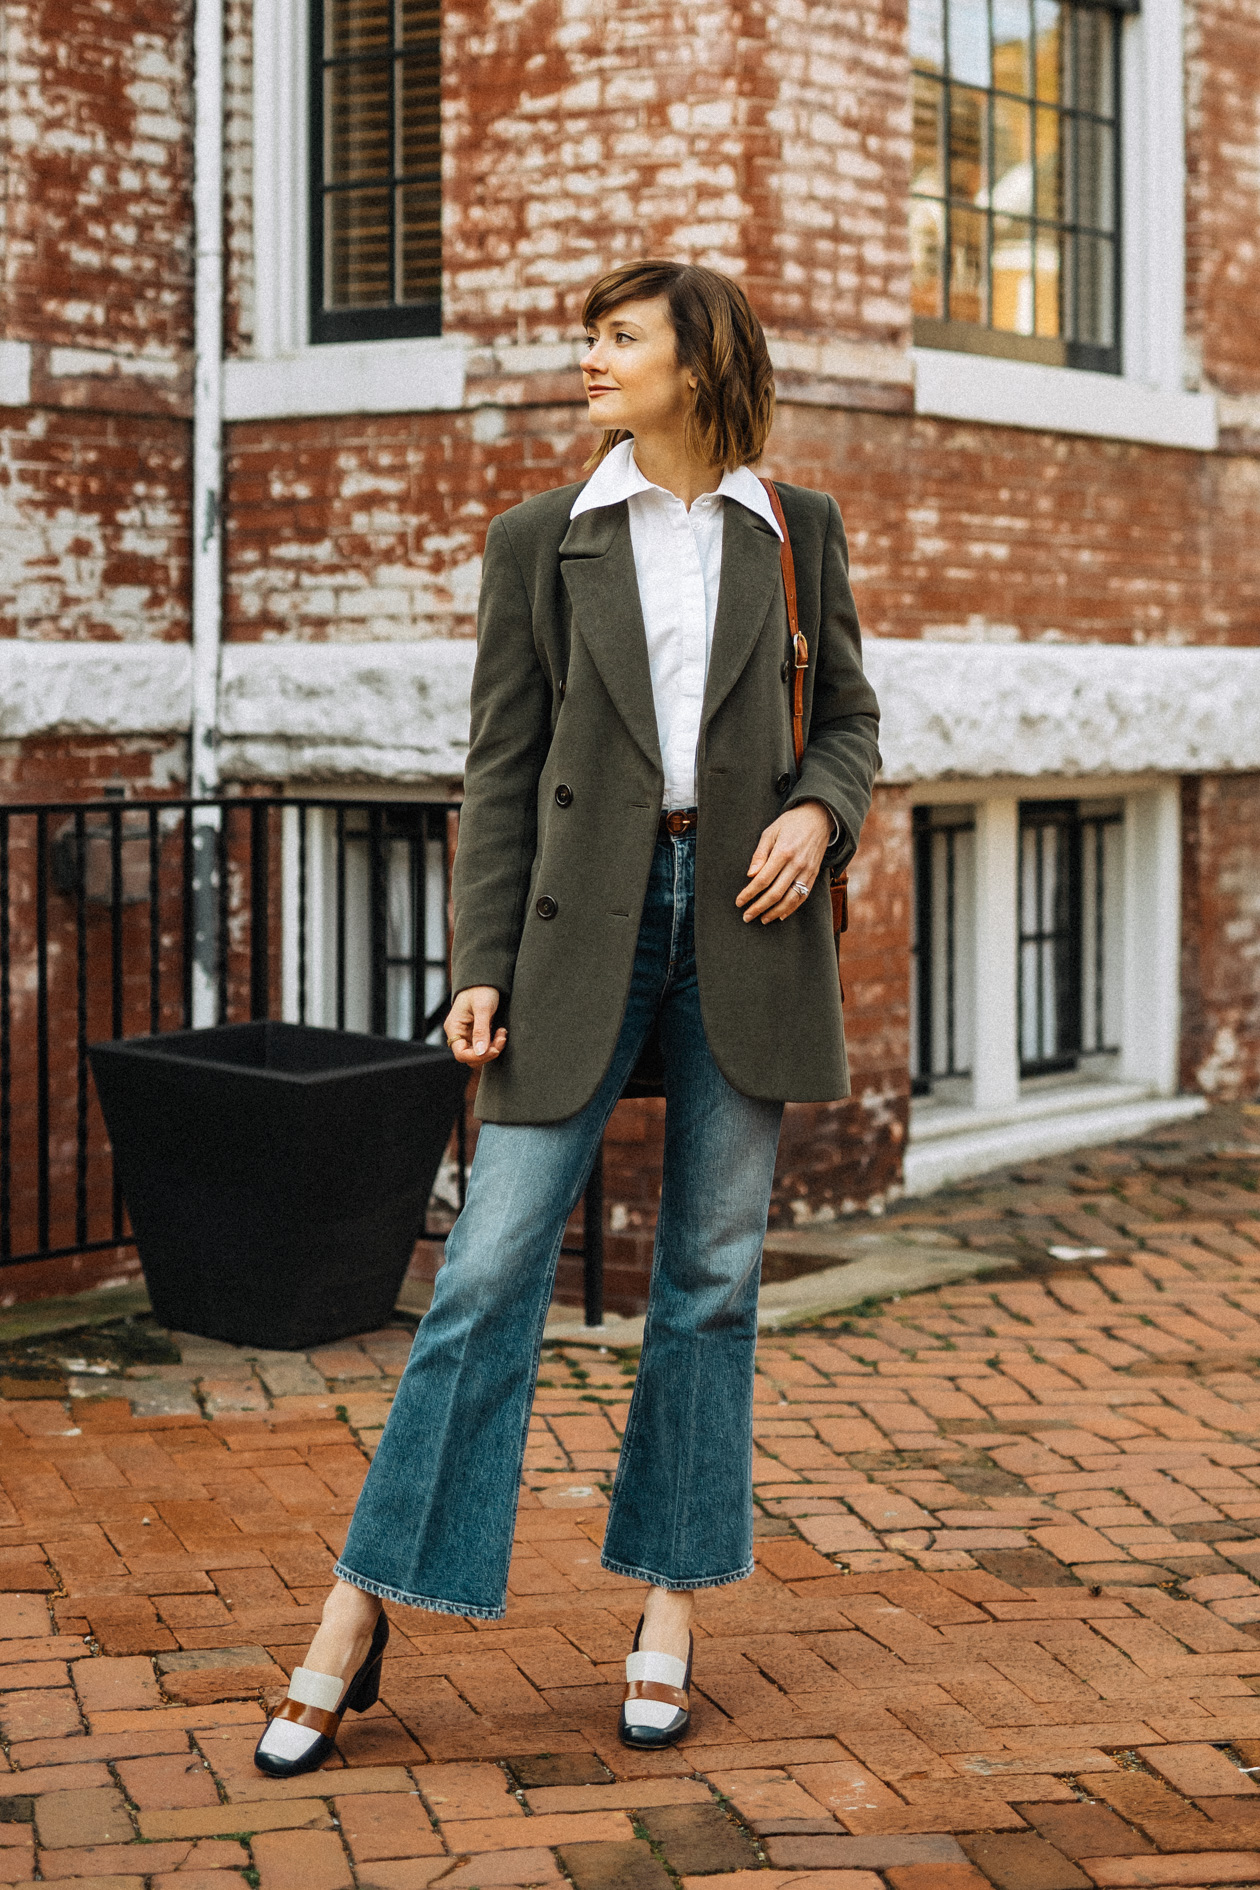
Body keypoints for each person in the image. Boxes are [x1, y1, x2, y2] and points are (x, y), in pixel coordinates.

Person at [254, 259, 880, 1775]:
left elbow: (847, 716)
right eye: (590, 338)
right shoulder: (544, 541)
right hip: (572, 938)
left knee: (712, 1279)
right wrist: (479, 962)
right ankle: (360, 1603)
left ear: (697, 363)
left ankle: (669, 1603)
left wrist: (821, 814)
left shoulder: (794, 533)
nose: (588, 358)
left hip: (745, 926)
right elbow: (500, 766)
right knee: (483, 1273)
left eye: (620, 339)